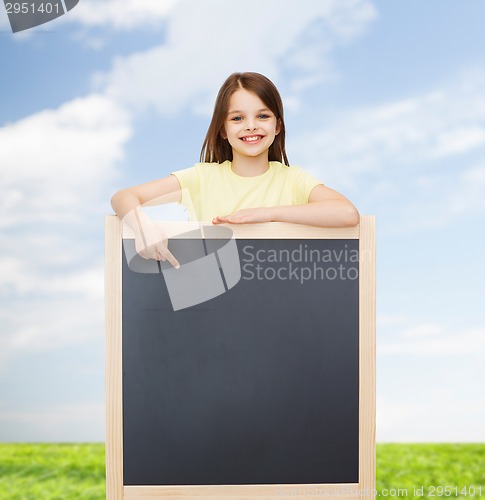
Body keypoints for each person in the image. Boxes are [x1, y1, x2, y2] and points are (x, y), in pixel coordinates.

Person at [111, 72, 359, 269]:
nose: (251, 126)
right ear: (222, 129)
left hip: (279, 302)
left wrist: (266, 214)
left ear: (277, 126)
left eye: (262, 116)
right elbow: (123, 197)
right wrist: (143, 228)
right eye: (237, 118)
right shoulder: (202, 178)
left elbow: (347, 213)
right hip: (213, 307)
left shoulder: (293, 179)